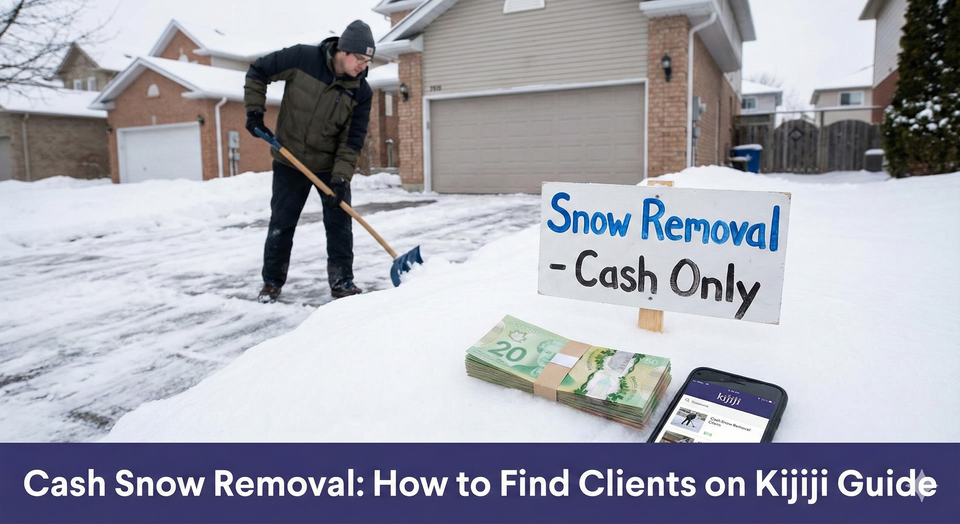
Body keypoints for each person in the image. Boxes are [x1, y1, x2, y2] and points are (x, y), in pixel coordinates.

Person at [243, 20, 376, 302]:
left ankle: (342, 282)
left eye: (368, 61)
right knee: (282, 222)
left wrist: (341, 178)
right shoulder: (303, 58)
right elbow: (259, 70)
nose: (364, 66)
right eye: (361, 59)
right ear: (344, 50)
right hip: (289, 159)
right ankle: (272, 283)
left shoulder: (360, 92)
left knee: (340, 223)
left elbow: (351, 140)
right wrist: (254, 112)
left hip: (329, 167)